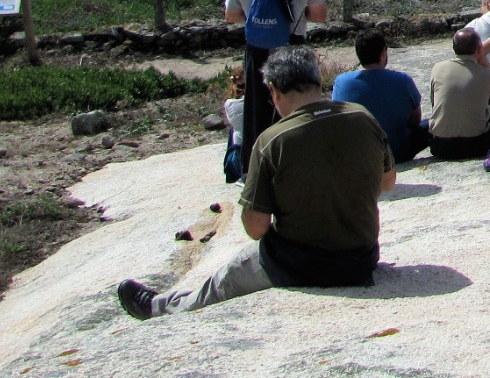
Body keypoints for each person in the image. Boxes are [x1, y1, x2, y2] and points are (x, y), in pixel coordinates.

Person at [117, 46, 395, 318]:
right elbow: (388, 181)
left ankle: (158, 308)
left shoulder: (272, 140)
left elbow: (255, 227)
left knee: (221, 282)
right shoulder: (362, 117)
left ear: (273, 90)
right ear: (318, 81)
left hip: (300, 265)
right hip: (362, 258)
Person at [223, 0, 327, 175]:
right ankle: (295, 163)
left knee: (256, 106)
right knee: (296, 104)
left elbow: (231, 15)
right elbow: (319, 14)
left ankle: (254, 169)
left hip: (257, 45)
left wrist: (259, 19)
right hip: (292, 45)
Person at [331, 29, 429, 163]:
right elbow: (415, 120)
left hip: (361, 155)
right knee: (431, 124)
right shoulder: (402, 80)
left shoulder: (341, 82)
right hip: (398, 152)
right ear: (383, 52)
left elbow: (338, 120)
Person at [427, 28, 490, 160]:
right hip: (477, 146)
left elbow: (434, 103)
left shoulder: (437, 68)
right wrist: (484, 61)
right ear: (480, 49)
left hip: (441, 147)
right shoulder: (487, 75)